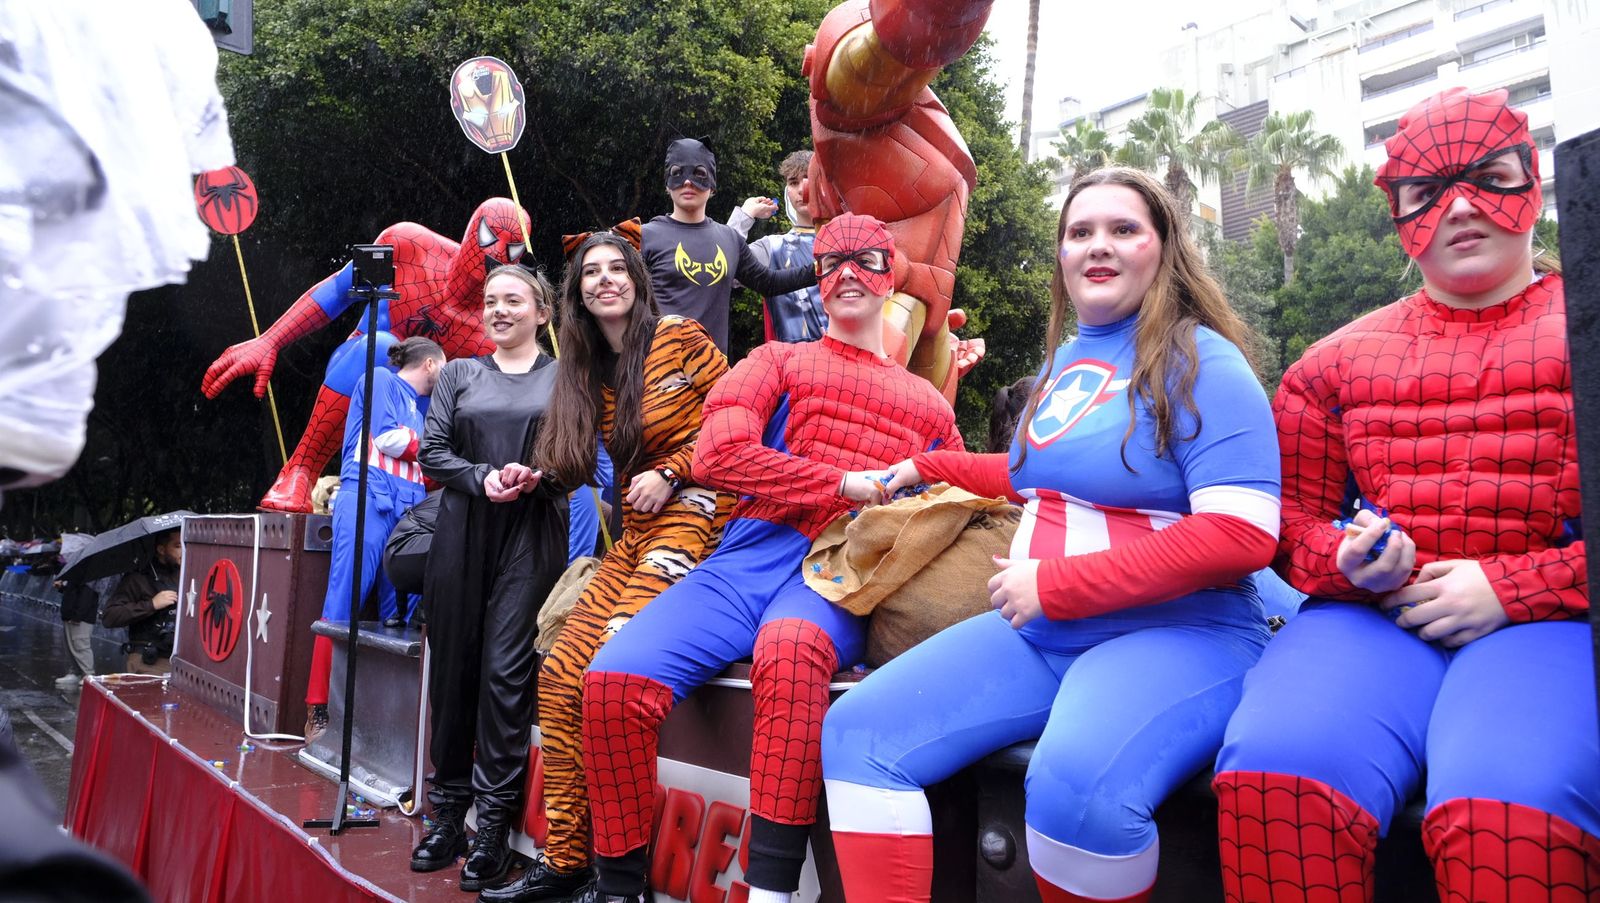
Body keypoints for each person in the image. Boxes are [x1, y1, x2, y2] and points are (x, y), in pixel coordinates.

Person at [821, 167, 1282, 903]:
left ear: (1163, 249)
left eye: (1123, 229)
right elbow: (1036, 471)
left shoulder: (1204, 362)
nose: (1098, 246)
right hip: (1045, 633)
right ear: (1062, 258)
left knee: (1073, 793)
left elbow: (1241, 535)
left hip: (1181, 634)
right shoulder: (1067, 360)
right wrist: (926, 464)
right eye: (1079, 232)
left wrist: (1061, 584)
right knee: (856, 736)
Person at [1213, 87, 1598, 903]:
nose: (1459, 206)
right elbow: (1288, 524)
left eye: (1487, 177)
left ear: (1531, 181)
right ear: (1397, 211)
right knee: (1277, 775)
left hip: (1554, 625)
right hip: (1375, 619)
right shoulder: (1331, 366)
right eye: (1426, 192)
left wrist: (1515, 587)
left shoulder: (1585, 327)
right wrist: (1350, 560)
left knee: (1511, 810)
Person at [577, 213, 962, 903]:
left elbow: (959, 503)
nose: (848, 275)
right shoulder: (776, 360)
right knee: (610, 683)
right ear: (815, 273)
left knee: (789, 650)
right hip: (748, 556)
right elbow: (721, 453)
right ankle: (618, 886)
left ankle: (769, 892)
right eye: (832, 259)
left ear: (891, 272)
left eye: (865, 260)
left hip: (841, 571)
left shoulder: (931, 404)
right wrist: (839, 483)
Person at [482, 231, 736, 902]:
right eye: (589, 272)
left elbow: (738, 416)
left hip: (702, 513)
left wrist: (675, 469)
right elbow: (573, 463)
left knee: (610, 666)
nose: (603, 280)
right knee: (561, 669)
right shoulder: (588, 366)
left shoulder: (681, 339)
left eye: (615, 268)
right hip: (636, 532)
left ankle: (624, 875)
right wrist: (528, 473)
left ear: (636, 278)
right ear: (576, 293)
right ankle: (567, 860)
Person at [410, 264, 571, 892]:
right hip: (462, 530)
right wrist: (482, 478)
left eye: (513, 300)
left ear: (542, 312)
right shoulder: (458, 373)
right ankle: (448, 814)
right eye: (491, 301)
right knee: (452, 668)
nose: (499, 310)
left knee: (505, 672)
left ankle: (495, 828)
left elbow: (575, 454)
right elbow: (433, 450)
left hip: (532, 532)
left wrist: (540, 477)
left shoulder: (564, 377)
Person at [303, 336, 444, 740]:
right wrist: (438, 449)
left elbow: (421, 461)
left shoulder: (421, 411)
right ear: (431, 364)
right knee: (344, 600)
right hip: (368, 497)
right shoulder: (381, 378)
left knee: (402, 611)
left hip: (408, 511)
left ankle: (389, 724)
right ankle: (318, 709)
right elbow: (387, 439)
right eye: (446, 367)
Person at [641, 138, 817, 352]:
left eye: (699, 174)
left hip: (715, 373)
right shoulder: (645, 236)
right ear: (667, 183)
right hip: (661, 372)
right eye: (678, 173)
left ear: (712, 184)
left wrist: (823, 267)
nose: (687, 182)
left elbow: (768, 282)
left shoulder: (729, 239)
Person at [728, 150, 827, 343]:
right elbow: (724, 269)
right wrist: (745, 215)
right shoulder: (773, 247)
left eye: (808, 178)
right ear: (787, 191)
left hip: (844, 364)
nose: (801, 189)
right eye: (793, 182)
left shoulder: (846, 240)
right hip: (789, 363)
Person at [101, 530, 183, 676]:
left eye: (185, 544)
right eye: (177, 546)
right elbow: (109, 616)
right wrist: (151, 604)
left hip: (180, 661)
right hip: (148, 662)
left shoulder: (186, 574)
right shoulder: (138, 578)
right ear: (161, 549)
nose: (183, 551)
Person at [53, 575, 99, 689]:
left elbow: (87, 596)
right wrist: (62, 587)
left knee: (80, 644)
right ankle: (76, 672)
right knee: (71, 646)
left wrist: (78, 615)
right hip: (70, 614)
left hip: (81, 617)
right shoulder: (78, 573)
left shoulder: (89, 576)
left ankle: (88, 673)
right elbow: (74, 591)